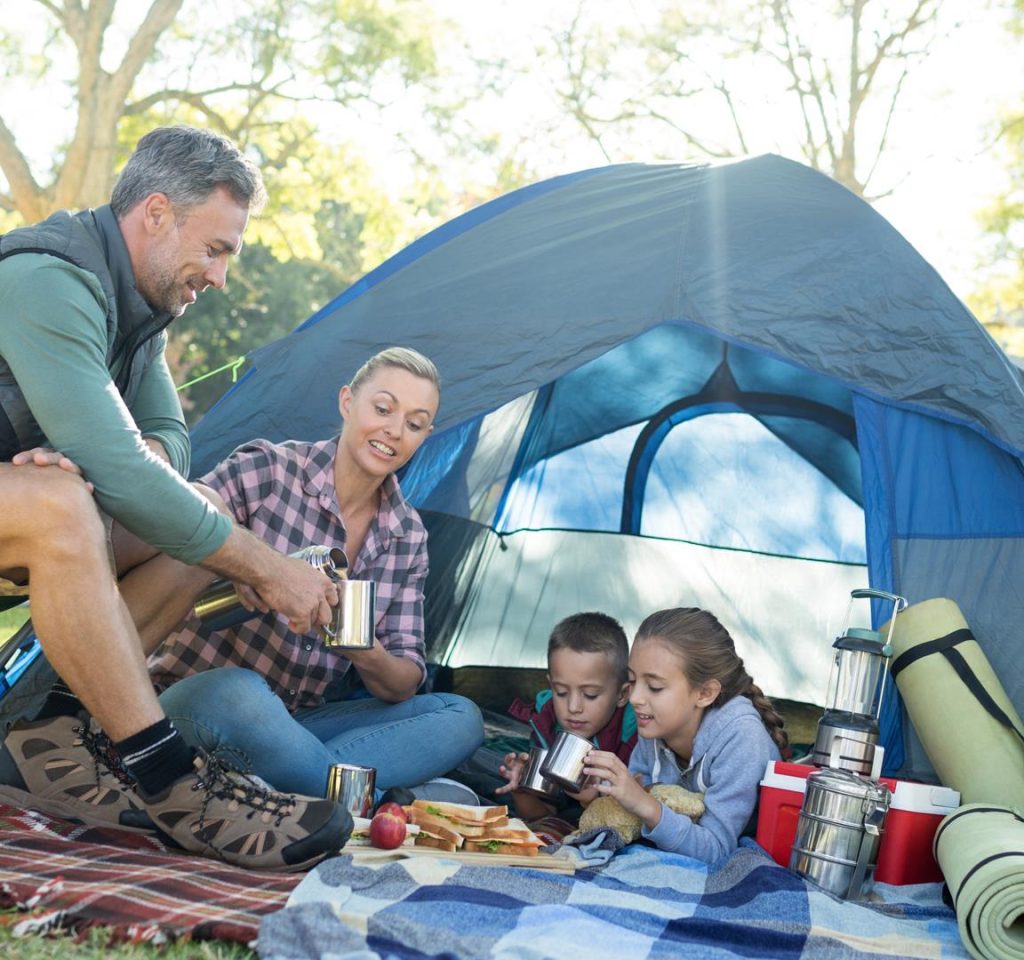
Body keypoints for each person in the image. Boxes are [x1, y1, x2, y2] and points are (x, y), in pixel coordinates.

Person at [0, 125, 349, 871]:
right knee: (61, 503)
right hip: (23, 508)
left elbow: (167, 447)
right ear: (156, 213)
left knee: (191, 511)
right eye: (217, 248)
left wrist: (118, 459)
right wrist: (267, 569)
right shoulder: (47, 276)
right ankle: (168, 778)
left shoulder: (143, 315)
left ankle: (43, 730)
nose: (220, 276)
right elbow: (126, 474)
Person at [137, 347, 485, 800]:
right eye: (383, 409)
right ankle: (370, 803)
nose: (394, 431)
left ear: (425, 436)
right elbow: (186, 511)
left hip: (299, 725)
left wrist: (358, 643)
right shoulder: (271, 470)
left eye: (414, 424)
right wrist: (254, 567)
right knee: (240, 692)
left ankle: (282, 785)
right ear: (346, 402)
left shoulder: (407, 536)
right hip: (202, 700)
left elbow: (403, 681)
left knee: (459, 717)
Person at [583, 607, 788, 864]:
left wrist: (644, 804)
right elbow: (631, 815)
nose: (635, 698)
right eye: (633, 681)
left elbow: (716, 848)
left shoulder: (741, 738)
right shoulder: (654, 724)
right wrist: (598, 796)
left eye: (655, 687)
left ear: (704, 693)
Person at [498, 612, 635, 826]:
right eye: (561, 692)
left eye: (590, 695)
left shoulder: (634, 736)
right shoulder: (546, 723)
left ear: (622, 694)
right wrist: (521, 789)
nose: (573, 708)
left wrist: (594, 801)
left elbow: (637, 819)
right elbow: (541, 816)